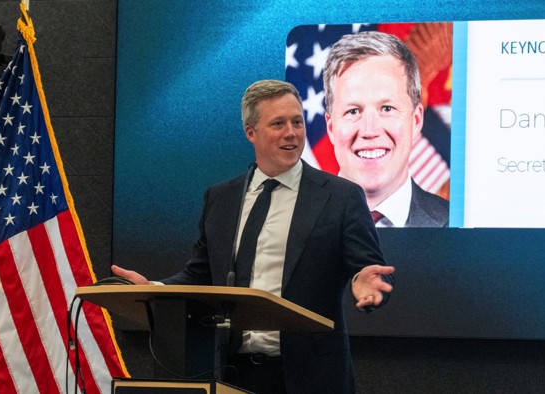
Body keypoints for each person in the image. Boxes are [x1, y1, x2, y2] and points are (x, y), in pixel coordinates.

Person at [112, 80, 394, 394]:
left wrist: (366, 282)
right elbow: (201, 273)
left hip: (310, 376)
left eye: (297, 122)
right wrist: (156, 289)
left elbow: (369, 267)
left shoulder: (340, 197)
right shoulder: (222, 198)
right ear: (251, 133)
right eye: (278, 124)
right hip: (233, 374)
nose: (291, 132)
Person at [323, 30, 449, 228]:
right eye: (353, 111)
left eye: (387, 108)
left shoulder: (456, 225)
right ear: (331, 127)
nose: (369, 130)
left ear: (415, 121)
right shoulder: (286, 224)